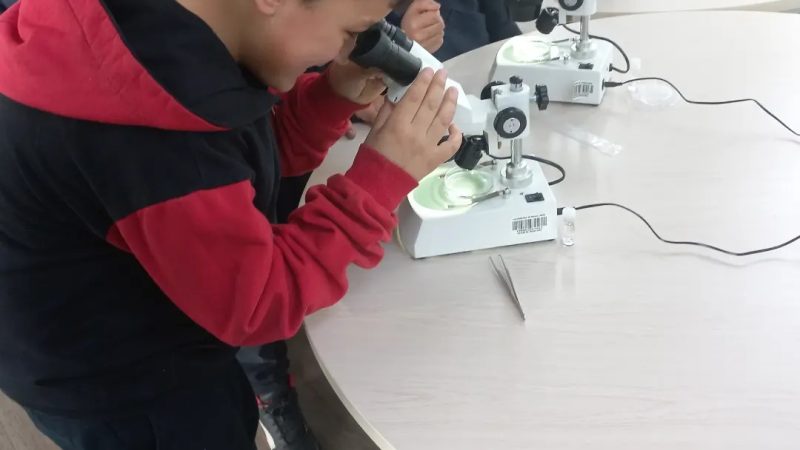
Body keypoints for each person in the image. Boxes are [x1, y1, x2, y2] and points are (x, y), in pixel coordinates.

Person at [0, 1, 462, 450]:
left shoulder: (169, 34)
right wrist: (381, 178)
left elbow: (235, 169)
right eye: (350, 31)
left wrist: (329, 97)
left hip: (131, 306)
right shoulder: (151, 135)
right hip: (133, 388)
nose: (346, 50)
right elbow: (259, 302)